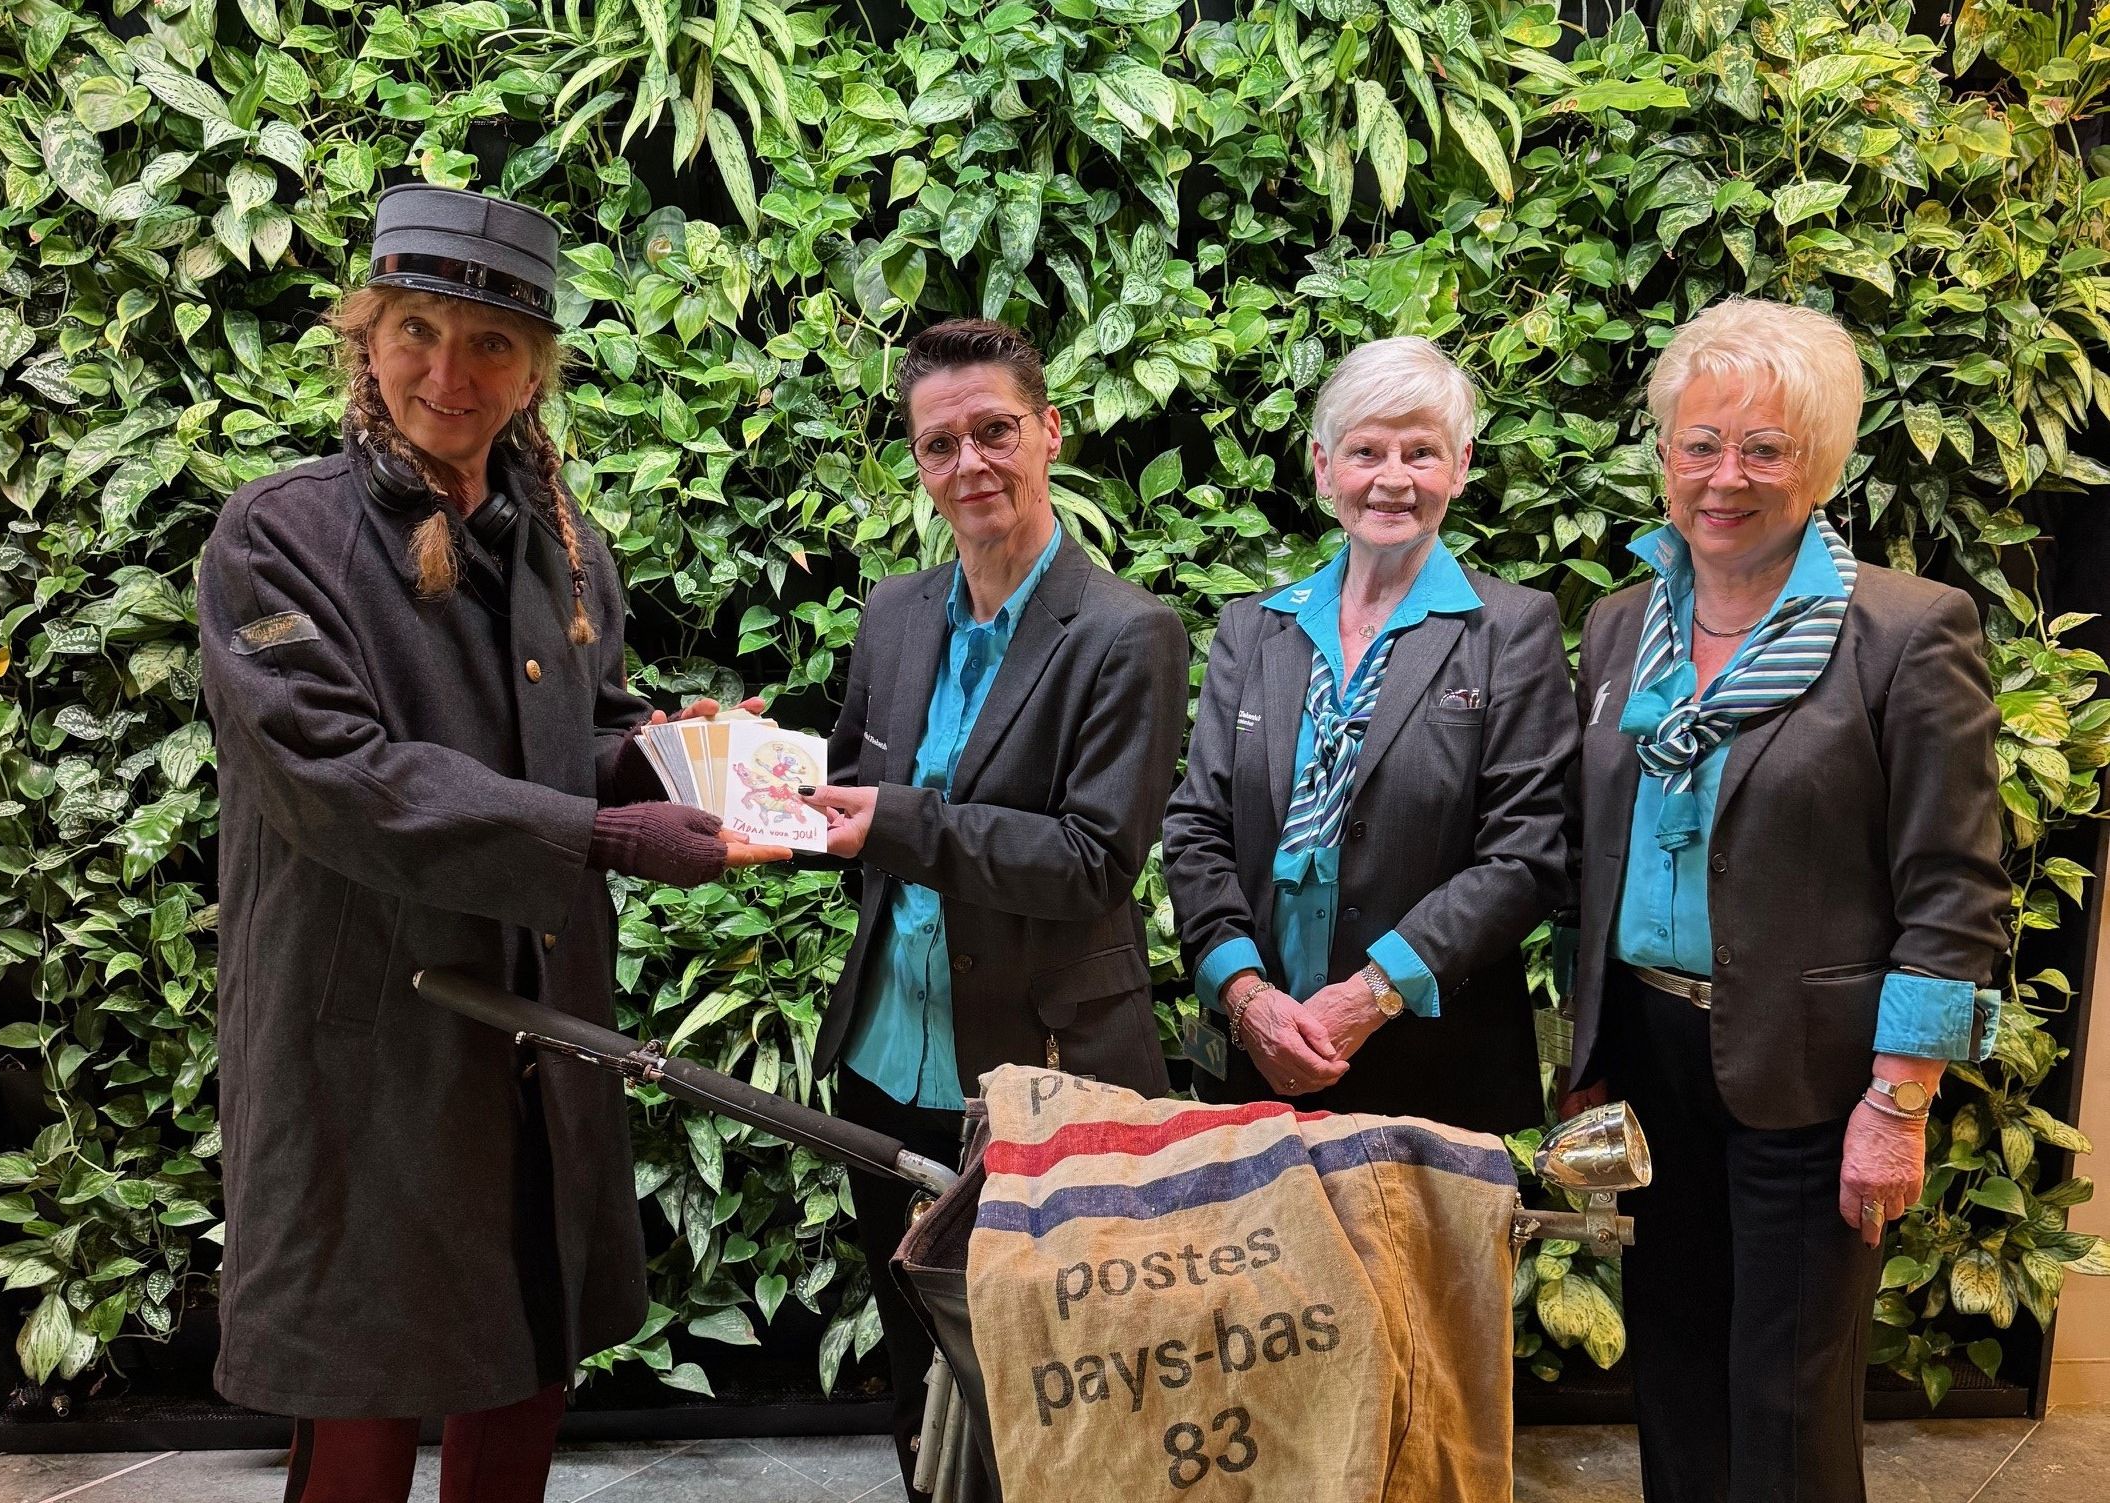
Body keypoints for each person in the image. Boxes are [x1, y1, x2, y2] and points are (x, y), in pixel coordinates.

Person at [198, 185, 779, 1503]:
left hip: (537, 1018)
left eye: (491, 346)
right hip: (369, 1039)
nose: (447, 373)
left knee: (528, 1349)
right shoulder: (277, 535)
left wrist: (674, 753)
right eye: (416, 329)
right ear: (367, 335)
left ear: (536, 373)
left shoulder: (570, 549)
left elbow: (580, 734)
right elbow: (335, 774)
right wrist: (606, 830)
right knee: (367, 1383)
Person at [1560, 297, 2009, 1502]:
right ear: (1666, 456)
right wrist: (1589, 1041)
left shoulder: (1905, 633)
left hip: (1814, 1074)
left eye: (1765, 449)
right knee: (1674, 1364)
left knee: (1786, 1392)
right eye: (1701, 444)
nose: (1726, 478)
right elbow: (1597, 852)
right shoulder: (1620, 631)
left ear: (1818, 466)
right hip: (1654, 1055)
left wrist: (1899, 1106)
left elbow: (1957, 892)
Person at [800, 318, 1190, 1499]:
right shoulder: (895, 612)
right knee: (922, 1364)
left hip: (1041, 1061)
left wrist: (897, 822)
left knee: (1046, 1387)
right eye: (939, 444)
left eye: (994, 432)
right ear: (917, 465)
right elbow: (850, 803)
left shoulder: (1130, 633)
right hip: (884, 1060)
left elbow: (1089, 862)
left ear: (1048, 433)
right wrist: (745, 779)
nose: (970, 464)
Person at [1162, 336, 1578, 1132]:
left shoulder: (1510, 630)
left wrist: (1371, 993)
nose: (1393, 479)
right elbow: (1194, 826)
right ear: (1323, 469)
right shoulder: (1254, 628)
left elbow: (1528, 852)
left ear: (1460, 467)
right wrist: (1245, 995)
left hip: (1433, 1065)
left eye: (1421, 452)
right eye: (1366, 451)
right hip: (1255, 1061)